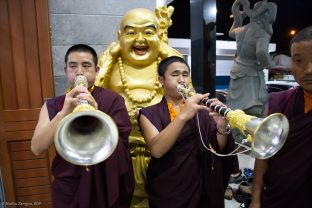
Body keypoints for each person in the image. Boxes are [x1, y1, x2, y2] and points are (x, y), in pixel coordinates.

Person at [95, 7, 183, 207]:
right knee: (126, 198)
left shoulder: (167, 62)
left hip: (162, 146)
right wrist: (111, 56)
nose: (140, 39)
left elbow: (186, 94)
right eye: (131, 32)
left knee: (163, 197)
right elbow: (94, 97)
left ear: (159, 36)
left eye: (149, 32)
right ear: (120, 36)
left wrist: (164, 50)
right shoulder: (110, 62)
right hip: (122, 147)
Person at [31, 44, 135, 207]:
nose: (79, 72)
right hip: (70, 185)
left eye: (86, 66)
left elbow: (121, 147)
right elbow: (36, 148)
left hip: (105, 182)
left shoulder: (113, 100)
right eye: (73, 66)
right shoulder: (52, 105)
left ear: (97, 70)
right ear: (65, 70)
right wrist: (63, 113)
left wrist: (97, 113)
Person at [138, 56, 234, 208]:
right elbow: (156, 150)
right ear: (161, 80)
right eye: (175, 75)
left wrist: (222, 126)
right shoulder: (149, 113)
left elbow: (217, 148)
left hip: (203, 187)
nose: (181, 80)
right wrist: (183, 115)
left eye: (185, 74)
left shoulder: (202, 111)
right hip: (169, 189)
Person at [250, 26, 312, 208]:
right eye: (299, 60)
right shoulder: (278, 102)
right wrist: (255, 199)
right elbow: (263, 156)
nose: (308, 69)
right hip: (277, 197)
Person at [227, 0, 277, 117]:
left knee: (235, 107)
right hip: (251, 72)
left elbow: (230, 33)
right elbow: (261, 52)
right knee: (252, 108)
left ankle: (235, 130)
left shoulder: (241, 30)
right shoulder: (261, 32)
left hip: (237, 69)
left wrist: (238, 18)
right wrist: (269, 64)